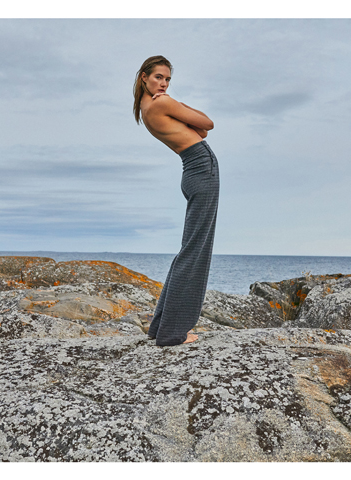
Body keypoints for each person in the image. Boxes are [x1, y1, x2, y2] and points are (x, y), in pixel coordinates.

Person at [133, 55, 219, 346]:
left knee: (190, 248)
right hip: (202, 170)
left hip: (192, 172)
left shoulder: (147, 108)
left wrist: (176, 104)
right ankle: (172, 333)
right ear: (144, 77)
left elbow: (201, 130)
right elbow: (208, 123)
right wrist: (176, 102)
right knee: (195, 251)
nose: (164, 84)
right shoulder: (162, 104)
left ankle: (160, 327)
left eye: (168, 79)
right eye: (159, 77)